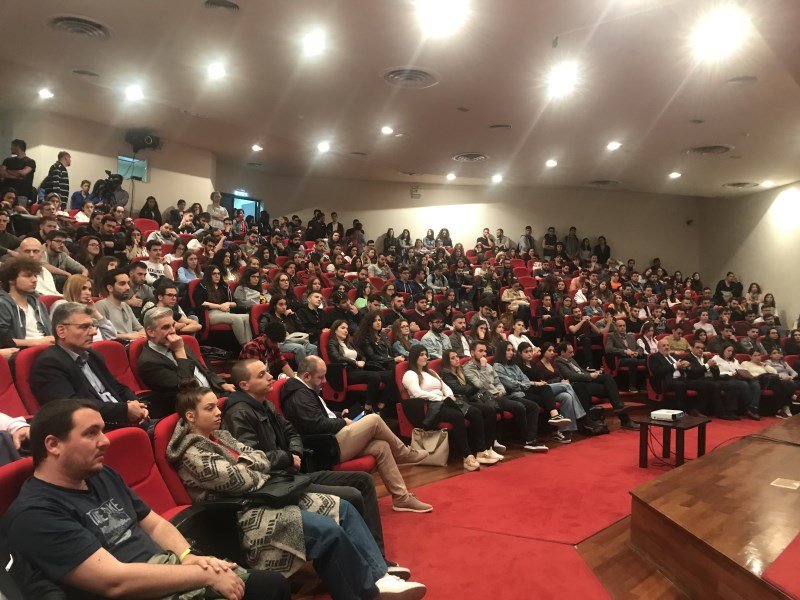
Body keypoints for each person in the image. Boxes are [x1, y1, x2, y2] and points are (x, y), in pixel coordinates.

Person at [0, 399, 291, 600]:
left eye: (102, 430)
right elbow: (115, 582)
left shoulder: (101, 474)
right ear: (53, 445)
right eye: (91, 433)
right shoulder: (35, 513)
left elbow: (153, 524)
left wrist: (189, 557)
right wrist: (203, 576)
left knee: (269, 585)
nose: (106, 441)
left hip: (166, 568)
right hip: (136, 591)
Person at [170, 382, 427, 598]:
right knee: (325, 530)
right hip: (241, 515)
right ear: (190, 416)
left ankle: (379, 575)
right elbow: (239, 480)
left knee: (343, 508)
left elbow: (258, 457)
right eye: (210, 408)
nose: (218, 412)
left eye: (216, 406)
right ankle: (368, 592)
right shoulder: (192, 453)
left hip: (266, 495)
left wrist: (252, 465)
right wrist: (255, 466)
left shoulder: (222, 437)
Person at [31, 303, 150, 430]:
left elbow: (117, 387)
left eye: (93, 326)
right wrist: (124, 410)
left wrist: (138, 405)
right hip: (97, 429)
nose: (94, 332)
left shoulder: (92, 355)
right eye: (84, 327)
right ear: (61, 331)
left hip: (125, 421)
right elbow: (72, 406)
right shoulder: (50, 363)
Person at [402, 346, 500, 471]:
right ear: (414, 357)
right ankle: (467, 456)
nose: (425, 357)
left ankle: (481, 451)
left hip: (445, 401)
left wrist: (448, 396)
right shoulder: (410, 374)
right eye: (422, 354)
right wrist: (440, 398)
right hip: (429, 407)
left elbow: (445, 386)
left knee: (475, 412)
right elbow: (417, 393)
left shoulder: (431, 372)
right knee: (457, 415)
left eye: (426, 354)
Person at [138, 308, 234, 418]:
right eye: (166, 327)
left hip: (214, 392)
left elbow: (202, 369)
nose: (173, 331)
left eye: (173, 325)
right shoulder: (149, 362)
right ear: (151, 332)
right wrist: (179, 351)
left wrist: (221, 383)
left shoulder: (174, 343)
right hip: (195, 407)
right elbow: (187, 389)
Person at [463, 340, 547, 452]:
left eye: (485, 351)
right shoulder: (468, 368)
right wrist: (483, 367)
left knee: (533, 406)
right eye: (481, 351)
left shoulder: (488, 366)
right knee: (519, 407)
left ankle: (530, 439)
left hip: (500, 395)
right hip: (486, 398)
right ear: (472, 352)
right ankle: (529, 440)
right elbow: (480, 385)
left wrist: (501, 391)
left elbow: (497, 382)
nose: (484, 354)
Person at [554, 342, 640, 430]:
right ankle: (624, 418)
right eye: (570, 352)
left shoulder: (571, 359)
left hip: (586, 380)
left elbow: (581, 371)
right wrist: (590, 376)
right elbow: (571, 376)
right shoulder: (558, 361)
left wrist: (593, 373)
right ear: (562, 352)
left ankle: (618, 407)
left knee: (607, 377)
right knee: (610, 391)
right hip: (579, 385)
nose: (573, 354)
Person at [520, 342, 588, 442]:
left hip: (546, 389)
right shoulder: (532, 365)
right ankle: (580, 414)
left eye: (530, 351)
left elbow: (558, 376)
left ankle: (565, 431)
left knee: (566, 396)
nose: (530, 354)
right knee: (566, 385)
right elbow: (533, 381)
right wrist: (542, 382)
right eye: (526, 352)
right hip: (539, 389)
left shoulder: (540, 364)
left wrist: (560, 380)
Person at [327, 319, 395, 414]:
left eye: (347, 328)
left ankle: (380, 405)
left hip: (358, 370)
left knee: (391, 375)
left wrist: (362, 361)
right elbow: (336, 358)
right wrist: (355, 363)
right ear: (335, 330)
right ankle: (368, 408)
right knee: (374, 376)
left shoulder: (349, 342)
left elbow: (361, 355)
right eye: (342, 328)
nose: (346, 331)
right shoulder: (332, 343)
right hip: (346, 372)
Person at [0, 256, 54, 349]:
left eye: (35, 276)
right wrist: (36, 342)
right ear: (11, 280)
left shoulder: (38, 304)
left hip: (46, 349)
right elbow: (3, 340)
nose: (34, 280)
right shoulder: (3, 304)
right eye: (28, 276)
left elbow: (49, 332)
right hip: (24, 351)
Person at [192, 264, 252, 345]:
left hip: (225, 312)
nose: (217, 276)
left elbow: (234, 303)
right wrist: (220, 306)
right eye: (214, 274)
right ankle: (244, 345)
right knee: (236, 319)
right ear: (209, 275)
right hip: (210, 314)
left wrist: (228, 303)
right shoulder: (202, 286)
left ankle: (250, 344)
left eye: (218, 273)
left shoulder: (223, 286)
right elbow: (201, 303)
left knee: (247, 317)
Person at [50, 274, 117, 341]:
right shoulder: (61, 305)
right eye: (83, 288)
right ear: (73, 289)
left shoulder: (87, 309)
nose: (88, 293)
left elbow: (111, 336)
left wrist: (95, 312)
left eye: (90, 289)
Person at [94, 269, 147, 341]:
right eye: (122, 284)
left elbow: (139, 327)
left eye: (128, 283)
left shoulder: (125, 306)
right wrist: (127, 336)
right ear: (110, 288)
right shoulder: (101, 305)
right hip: (115, 345)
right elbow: (102, 334)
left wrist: (142, 334)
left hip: (130, 343)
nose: (128, 287)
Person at [605, 319, 647, 392]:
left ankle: (643, 385)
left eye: (624, 326)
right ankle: (632, 386)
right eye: (620, 326)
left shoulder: (630, 337)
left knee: (648, 361)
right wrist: (625, 351)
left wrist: (637, 353)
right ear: (616, 327)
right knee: (633, 361)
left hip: (633, 357)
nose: (622, 327)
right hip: (620, 359)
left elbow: (640, 348)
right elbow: (608, 349)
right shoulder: (611, 336)